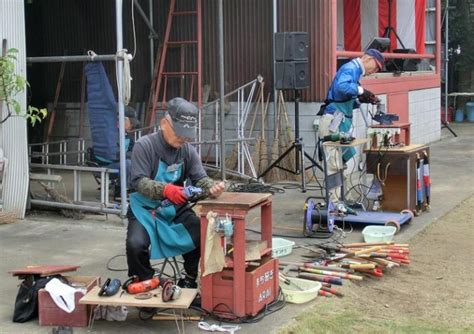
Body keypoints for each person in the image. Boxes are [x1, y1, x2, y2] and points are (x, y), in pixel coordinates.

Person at [126, 97, 225, 288]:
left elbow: (200, 179)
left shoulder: (187, 150)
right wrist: (166, 189)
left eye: (187, 134)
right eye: (180, 133)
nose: (183, 138)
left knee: (202, 234)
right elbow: (138, 182)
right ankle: (145, 281)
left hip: (175, 208)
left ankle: (189, 279)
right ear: (165, 123)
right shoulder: (144, 146)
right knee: (135, 245)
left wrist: (212, 187)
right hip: (145, 210)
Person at [319, 49, 384, 201]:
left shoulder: (354, 72)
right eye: (375, 67)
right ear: (368, 58)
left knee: (342, 163)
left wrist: (362, 99)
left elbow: (345, 100)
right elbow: (341, 87)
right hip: (334, 122)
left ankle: (344, 200)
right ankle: (334, 206)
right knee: (334, 166)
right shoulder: (351, 68)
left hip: (341, 121)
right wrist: (361, 90)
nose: (374, 71)